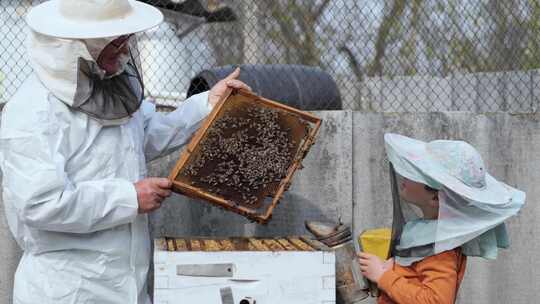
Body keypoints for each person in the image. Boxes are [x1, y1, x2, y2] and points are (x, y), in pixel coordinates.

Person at [0, 0, 250, 303]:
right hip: (68, 288)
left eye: (127, 39)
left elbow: (147, 136)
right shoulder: (32, 111)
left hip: (127, 279)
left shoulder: (110, 89)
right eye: (116, 42)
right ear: (83, 46)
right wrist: (129, 197)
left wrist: (208, 103)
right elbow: (41, 204)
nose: (126, 50)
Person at [358, 133, 525, 304]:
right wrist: (393, 268)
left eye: (415, 174)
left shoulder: (441, 248)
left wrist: (383, 276)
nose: (405, 176)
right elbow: (416, 273)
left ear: (436, 199)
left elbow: (437, 301)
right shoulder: (429, 233)